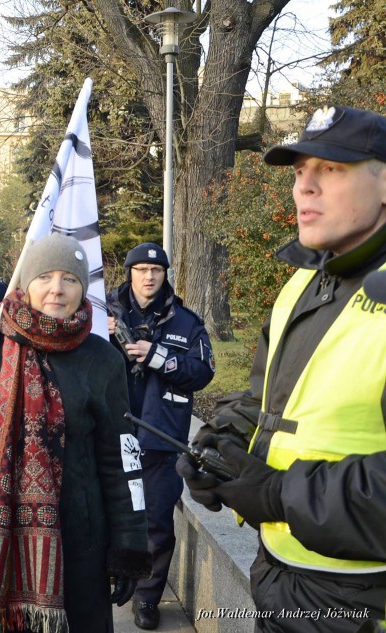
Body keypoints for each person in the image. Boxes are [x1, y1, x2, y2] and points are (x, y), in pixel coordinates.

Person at [178, 105, 386, 632]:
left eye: (331, 169)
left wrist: (276, 495)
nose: (304, 188)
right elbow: (267, 400)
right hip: (280, 576)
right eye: (299, 172)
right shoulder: (302, 281)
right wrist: (220, 444)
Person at [0, 234, 150, 633]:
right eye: (45, 277)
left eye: (69, 279)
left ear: (83, 289)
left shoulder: (103, 360)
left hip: (74, 544)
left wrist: (129, 544)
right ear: (27, 283)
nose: (57, 289)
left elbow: (121, 460)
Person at [103, 242, 214, 629]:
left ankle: (147, 598)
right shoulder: (101, 313)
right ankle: (106, 581)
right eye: (140, 270)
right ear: (129, 273)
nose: (148, 277)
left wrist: (159, 357)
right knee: (101, 515)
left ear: (165, 275)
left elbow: (203, 372)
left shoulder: (186, 321)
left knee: (157, 522)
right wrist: (101, 338)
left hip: (161, 436)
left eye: (156, 271)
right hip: (109, 433)